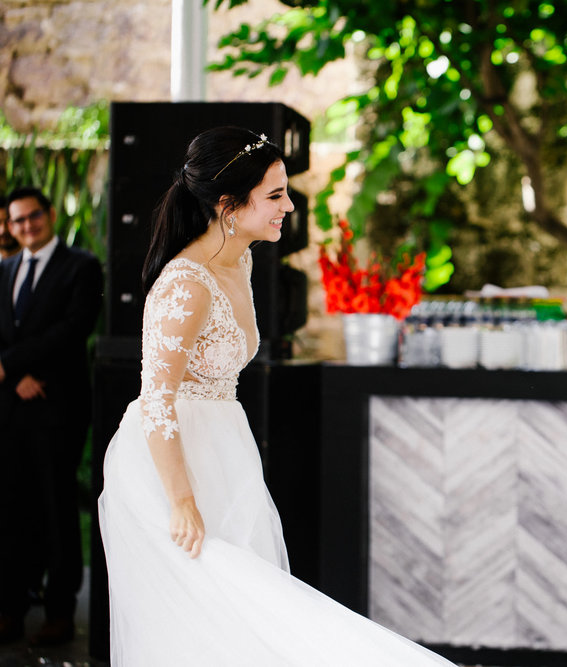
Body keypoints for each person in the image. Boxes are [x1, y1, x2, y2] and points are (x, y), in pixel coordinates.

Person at [97, 126, 455, 666]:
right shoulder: (185, 286)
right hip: (169, 466)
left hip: (224, 451)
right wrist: (183, 502)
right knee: (219, 611)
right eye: (274, 196)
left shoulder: (240, 260)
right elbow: (156, 401)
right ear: (228, 206)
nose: (289, 205)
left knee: (246, 614)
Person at [0, 187, 103, 646]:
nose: (26, 227)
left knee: (57, 507)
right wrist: (14, 375)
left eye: (33, 217)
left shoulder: (81, 266)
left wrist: (14, 364)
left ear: (49, 214)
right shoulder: (4, 271)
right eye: (17, 221)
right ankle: (11, 609)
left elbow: (74, 328)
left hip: (58, 406)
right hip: (11, 406)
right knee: (11, 510)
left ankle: (60, 611)